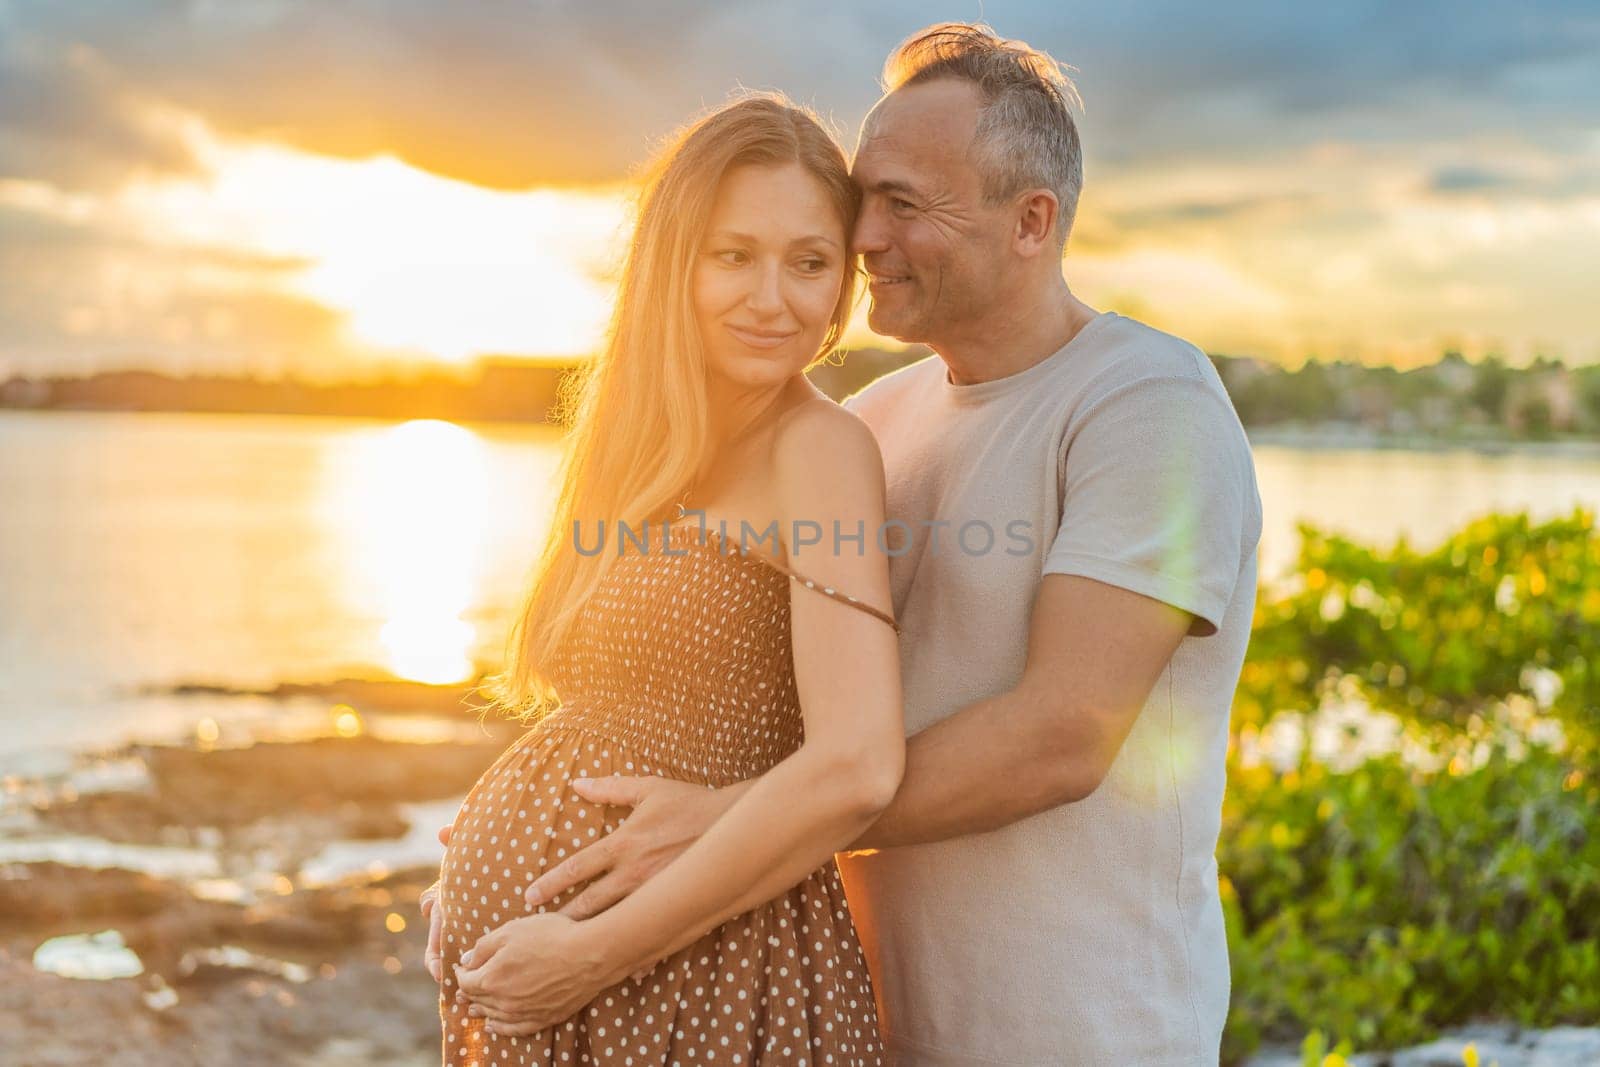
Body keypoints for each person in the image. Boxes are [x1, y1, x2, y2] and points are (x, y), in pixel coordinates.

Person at [455, 23, 1265, 1065]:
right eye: (863, 196)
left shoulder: (1147, 404)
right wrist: (545, 833)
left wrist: (719, 821)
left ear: (1030, 220)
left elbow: (1063, 734)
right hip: (876, 1011)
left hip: (1070, 1031)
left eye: (902, 203)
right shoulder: (881, 417)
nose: (863, 235)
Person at [420, 93, 905, 1065]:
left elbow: (857, 764)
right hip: (567, 972)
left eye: (808, 263)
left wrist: (593, 950)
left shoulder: (817, 447)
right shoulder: (639, 443)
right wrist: (475, 874)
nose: (773, 298)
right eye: (734, 255)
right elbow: (608, 708)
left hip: (704, 971)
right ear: (671, 262)